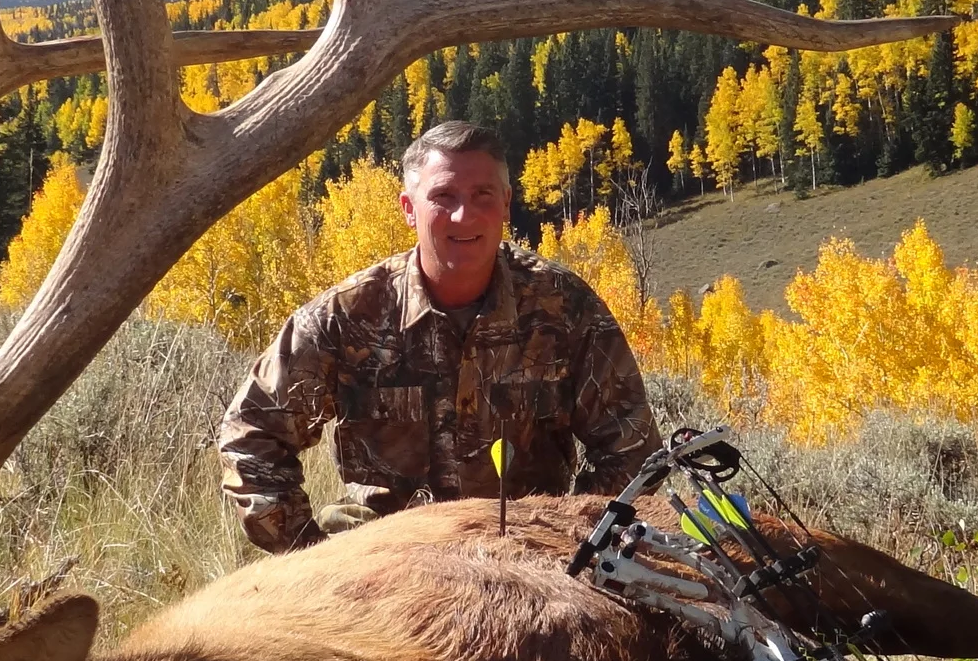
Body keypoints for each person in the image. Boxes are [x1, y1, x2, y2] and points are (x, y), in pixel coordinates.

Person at [218, 120, 663, 553]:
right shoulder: (348, 316)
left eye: (482, 195)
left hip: (526, 563)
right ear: (409, 209)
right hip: (381, 566)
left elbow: (633, 449)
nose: (463, 214)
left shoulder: (564, 308)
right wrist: (309, 555)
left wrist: (573, 541)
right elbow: (251, 434)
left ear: (507, 203)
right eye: (442, 196)